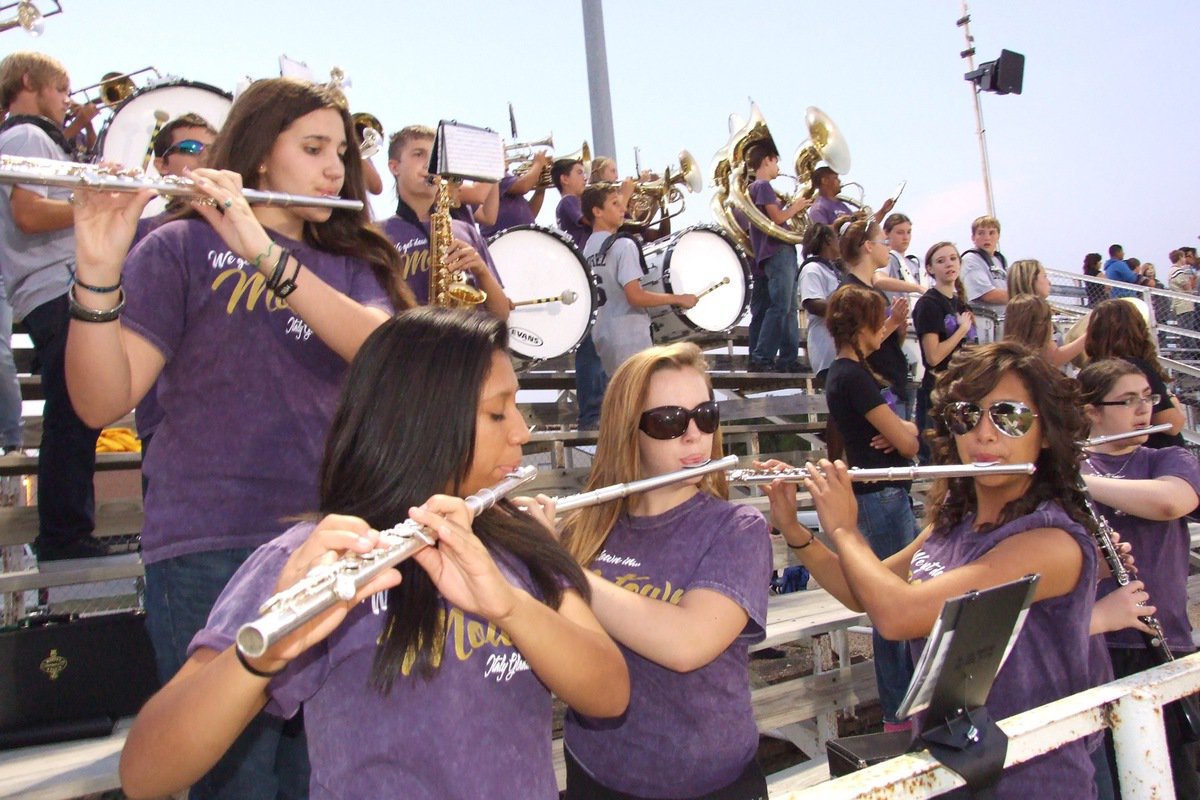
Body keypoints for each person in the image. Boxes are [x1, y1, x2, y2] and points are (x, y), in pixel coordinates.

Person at [117, 308, 630, 800]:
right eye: (497, 412)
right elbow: (144, 772)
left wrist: (511, 607)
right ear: (422, 423)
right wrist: (261, 657)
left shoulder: (517, 543)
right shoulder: (317, 557)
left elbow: (609, 693)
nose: (521, 431)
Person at [65, 77, 414, 799]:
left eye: (342, 154)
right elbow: (101, 401)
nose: (334, 171)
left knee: (328, 776)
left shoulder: (354, 265)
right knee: (233, 783)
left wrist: (263, 251)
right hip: (208, 548)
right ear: (257, 157)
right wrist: (97, 273)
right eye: (313, 148)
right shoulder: (178, 248)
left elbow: (387, 351)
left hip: (333, 547)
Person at [762, 341, 1102, 798]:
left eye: (1009, 416)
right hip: (953, 766)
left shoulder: (1051, 544)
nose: (984, 434)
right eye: (967, 415)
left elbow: (898, 615)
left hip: (1030, 778)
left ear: (1045, 433)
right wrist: (796, 532)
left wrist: (844, 528)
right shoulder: (956, 523)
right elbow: (865, 591)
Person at [548, 342, 772, 799]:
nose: (694, 436)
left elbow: (687, 643)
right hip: (597, 775)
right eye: (669, 422)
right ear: (627, 432)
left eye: (705, 416)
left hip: (713, 785)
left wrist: (556, 566)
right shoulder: (583, 527)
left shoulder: (736, 528)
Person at [0, 52, 111, 561]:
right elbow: (27, 213)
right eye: (62, 90)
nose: (69, 100)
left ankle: (69, 532)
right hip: (55, 288)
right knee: (74, 415)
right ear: (31, 82)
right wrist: (94, 205)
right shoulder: (25, 136)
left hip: (55, 287)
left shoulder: (36, 138)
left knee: (77, 414)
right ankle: (64, 536)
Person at [1078, 358, 1200, 798]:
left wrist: (1081, 482)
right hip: (1095, 647)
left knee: (1175, 778)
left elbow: (1171, 502)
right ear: (1091, 411)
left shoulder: (1168, 457)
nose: (1143, 409)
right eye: (1127, 400)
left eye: (1147, 397)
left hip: (1164, 640)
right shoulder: (1062, 467)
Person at [818, 282, 919, 731]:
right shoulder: (851, 376)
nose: (883, 331)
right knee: (894, 603)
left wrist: (905, 431)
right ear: (861, 326)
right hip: (881, 494)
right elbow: (905, 441)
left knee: (894, 602)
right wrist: (907, 432)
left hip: (882, 490)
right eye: (877, 323)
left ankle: (901, 708)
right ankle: (900, 710)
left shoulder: (849, 372)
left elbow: (903, 435)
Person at [130, 112, 219, 493]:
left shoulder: (249, 233)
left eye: (212, 150)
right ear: (161, 164)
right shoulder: (141, 230)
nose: (202, 157)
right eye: (189, 148)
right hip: (165, 417)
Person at [381, 125, 511, 320]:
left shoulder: (465, 231)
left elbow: (501, 314)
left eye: (434, 157)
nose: (429, 165)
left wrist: (481, 270)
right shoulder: (378, 233)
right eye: (418, 154)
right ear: (394, 166)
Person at [579, 184, 696, 377]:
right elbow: (635, 296)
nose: (623, 209)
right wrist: (678, 298)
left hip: (603, 337)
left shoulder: (587, 249)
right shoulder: (624, 245)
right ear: (597, 211)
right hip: (630, 335)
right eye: (615, 204)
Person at [839, 219, 921, 420]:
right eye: (884, 242)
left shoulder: (874, 291)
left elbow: (887, 343)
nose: (888, 247)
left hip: (894, 381)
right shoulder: (852, 292)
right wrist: (893, 322)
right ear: (868, 246)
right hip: (878, 389)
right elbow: (860, 346)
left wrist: (899, 330)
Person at [1084, 299, 1186, 448]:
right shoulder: (1134, 370)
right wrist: (1172, 400)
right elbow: (1173, 425)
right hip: (1152, 457)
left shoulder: (1089, 370)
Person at [745, 141, 810, 372]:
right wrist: (796, 206)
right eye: (776, 161)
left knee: (788, 307)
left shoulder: (757, 188)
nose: (778, 167)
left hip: (779, 251)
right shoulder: (762, 186)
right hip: (777, 251)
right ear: (767, 160)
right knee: (781, 306)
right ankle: (763, 357)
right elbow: (777, 218)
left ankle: (787, 358)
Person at [554, 156, 606, 428]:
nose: (584, 177)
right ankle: (591, 414)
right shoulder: (568, 202)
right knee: (590, 348)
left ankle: (599, 411)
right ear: (564, 179)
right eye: (578, 172)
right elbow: (588, 220)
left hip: (592, 274)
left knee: (598, 346)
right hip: (583, 274)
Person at [912, 242, 975, 452]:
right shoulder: (928, 304)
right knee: (937, 454)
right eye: (941, 261)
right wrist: (961, 331)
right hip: (937, 391)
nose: (949, 264)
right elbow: (933, 356)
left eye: (952, 258)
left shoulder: (960, 304)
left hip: (961, 388)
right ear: (930, 269)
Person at [1005, 260, 1087, 367]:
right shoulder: (1035, 309)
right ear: (1031, 280)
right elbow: (1053, 358)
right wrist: (1089, 334)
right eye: (1044, 276)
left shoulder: (1014, 309)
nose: (1049, 282)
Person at [798, 222, 841, 386]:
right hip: (827, 350)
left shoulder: (833, 269)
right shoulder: (812, 269)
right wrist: (847, 308)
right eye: (836, 238)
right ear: (828, 240)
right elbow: (812, 304)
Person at [478, 151, 549, 239]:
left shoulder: (508, 182)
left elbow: (531, 213)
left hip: (518, 238)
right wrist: (538, 164)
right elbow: (523, 187)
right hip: (501, 240)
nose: (507, 157)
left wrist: (540, 189)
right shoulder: (497, 175)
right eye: (504, 153)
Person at [959, 215, 1008, 340]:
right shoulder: (971, 260)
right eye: (981, 233)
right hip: (983, 326)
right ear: (973, 238)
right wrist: (1021, 297)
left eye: (992, 233)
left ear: (998, 236)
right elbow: (987, 294)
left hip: (1003, 324)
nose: (987, 237)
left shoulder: (1000, 261)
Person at [807, 166, 895, 229]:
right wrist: (851, 219)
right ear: (824, 181)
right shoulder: (818, 208)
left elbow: (866, 226)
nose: (839, 181)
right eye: (835, 178)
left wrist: (883, 211)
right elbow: (821, 233)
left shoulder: (841, 205)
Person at [1167, 248, 1197, 329]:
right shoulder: (1179, 271)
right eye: (1183, 257)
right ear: (1180, 257)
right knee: (1188, 330)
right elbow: (1187, 288)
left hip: (1178, 304)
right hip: (1185, 305)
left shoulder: (1171, 270)